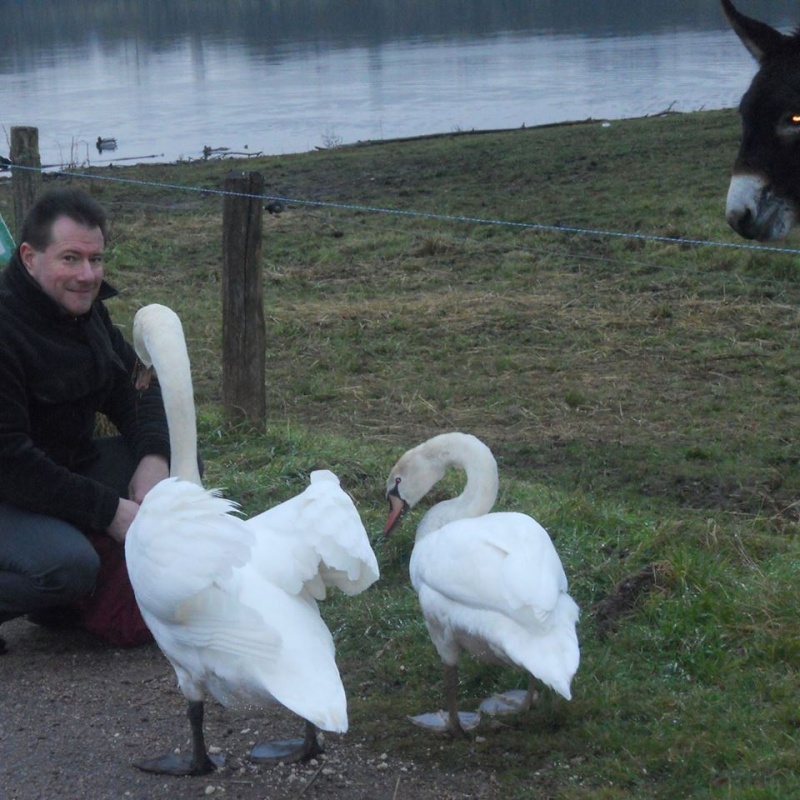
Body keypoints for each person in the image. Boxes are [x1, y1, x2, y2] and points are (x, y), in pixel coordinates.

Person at [0, 188, 171, 654]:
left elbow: (135, 385)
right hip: (9, 487)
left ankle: (60, 605)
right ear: (30, 257)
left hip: (60, 470)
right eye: (71, 259)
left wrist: (154, 457)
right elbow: (12, 464)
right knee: (69, 567)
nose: (88, 275)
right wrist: (109, 512)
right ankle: (61, 586)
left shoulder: (85, 312)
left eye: (96, 260)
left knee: (176, 487)